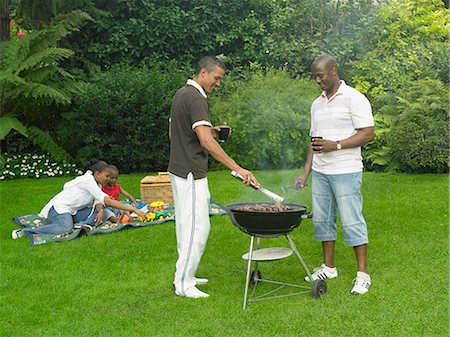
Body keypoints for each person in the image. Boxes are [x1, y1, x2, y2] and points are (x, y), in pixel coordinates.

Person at [168, 55, 259, 299]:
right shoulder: (197, 98)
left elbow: (175, 132)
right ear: (203, 73)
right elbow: (205, 141)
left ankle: (186, 275)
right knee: (197, 228)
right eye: (216, 78)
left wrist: (211, 132)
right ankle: (184, 284)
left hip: (179, 169)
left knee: (185, 227)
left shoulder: (181, 94)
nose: (218, 84)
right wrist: (238, 168)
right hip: (191, 172)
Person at [295, 54, 374, 295]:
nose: (317, 80)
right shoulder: (316, 104)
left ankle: (362, 274)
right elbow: (314, 141)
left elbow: (368, 133)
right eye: (314, 77)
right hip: (321, 172)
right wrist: (306, 173)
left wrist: (336, 145)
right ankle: (329, 267)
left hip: (346, 170)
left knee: (352, 220)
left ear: (333, 70)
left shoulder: (354, 98)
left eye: (320, 75)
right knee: (322, 220)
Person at [11, 159, 147, 239]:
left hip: (74, 211)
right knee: (65, 228)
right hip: (59, 209)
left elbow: (99, 201)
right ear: (97, 173)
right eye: (107, 176)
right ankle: (26, 232)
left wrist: (100, 211)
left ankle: (81, 224)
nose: (108, 179)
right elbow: (107, 200)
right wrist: (134, 209)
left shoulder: (97, 184)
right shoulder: (87, 181)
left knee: (104, 212)